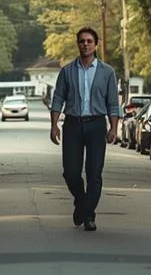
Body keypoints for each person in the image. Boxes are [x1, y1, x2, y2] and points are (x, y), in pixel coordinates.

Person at [48, 27, 122, 231]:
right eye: (82, 41)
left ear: (96, 44)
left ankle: (88, 214)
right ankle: (81, 202)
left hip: (97, 125)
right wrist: (54, 125)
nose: (85, 44)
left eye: (89, 41)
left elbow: (113, 104)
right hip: (72, 124)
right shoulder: (67, 71)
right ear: (77, 44)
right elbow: (58, 99)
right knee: (70, 172)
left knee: (94, 173)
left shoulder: (107, 72)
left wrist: (113, 127)